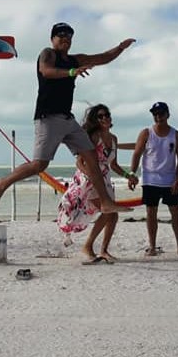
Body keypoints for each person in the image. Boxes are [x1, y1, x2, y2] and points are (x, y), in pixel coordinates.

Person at [0, 22, 135, 213]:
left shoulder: (75, 59)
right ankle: (4, 182)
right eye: (61, 36)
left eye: (69, 37)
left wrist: (120, 48)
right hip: (48, 117)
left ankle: (106, 201)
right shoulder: (48, 53)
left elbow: (102, 58)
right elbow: (46, 71)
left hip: (68, 119)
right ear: (53, 39)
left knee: (91, 155)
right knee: (39, 165)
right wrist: (72, 72)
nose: (66, 39)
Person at [57, 104, 137, 263]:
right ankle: (87, 247)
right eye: (100, 116)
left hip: (105, 180)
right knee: (109, 212)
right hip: (89, 180)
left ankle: (103, 250)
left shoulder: (113, 139)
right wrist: (92, 177)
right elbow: (80, 162)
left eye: (107, 114)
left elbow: (113, 164)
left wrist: (128, 175)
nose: (105, 118)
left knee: (113, 216)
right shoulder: (93, 137)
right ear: (95, 120)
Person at [130, 101, 178, 257]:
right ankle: (152, 246)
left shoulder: (176, 135)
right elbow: (137, 154)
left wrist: (177, 179)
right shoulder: (146, 133)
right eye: (155, 114)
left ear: (167, 114)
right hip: (150, 179)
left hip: (169, 179)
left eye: (161, 113)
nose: (158, 117)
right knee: (151, 212)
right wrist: (132, 174)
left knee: (176, 212)